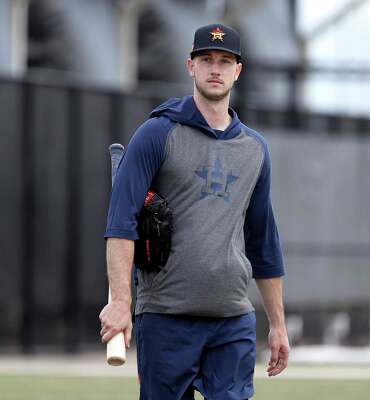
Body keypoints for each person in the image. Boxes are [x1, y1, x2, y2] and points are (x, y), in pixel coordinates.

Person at [99, 23, 289, 400]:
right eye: (206, 59)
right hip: (166, 318)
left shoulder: (255, 149)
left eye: (224, 61)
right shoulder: (157, 133)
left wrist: (278, 325)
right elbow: (121, 223)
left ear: (238, 70)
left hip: (231, 319)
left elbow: (263, 241)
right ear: (190, 66)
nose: (215, 69)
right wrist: (121, 301)